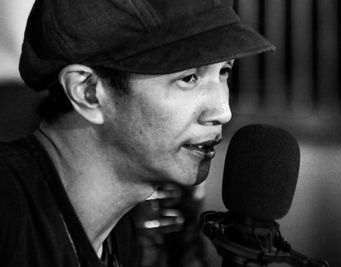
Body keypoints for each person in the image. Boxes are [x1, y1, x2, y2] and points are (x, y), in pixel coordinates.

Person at [0, 0, 274, 266]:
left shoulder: (122, 235)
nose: (223, 112)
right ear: (88, 92)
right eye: (188, 78)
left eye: (224, 71)